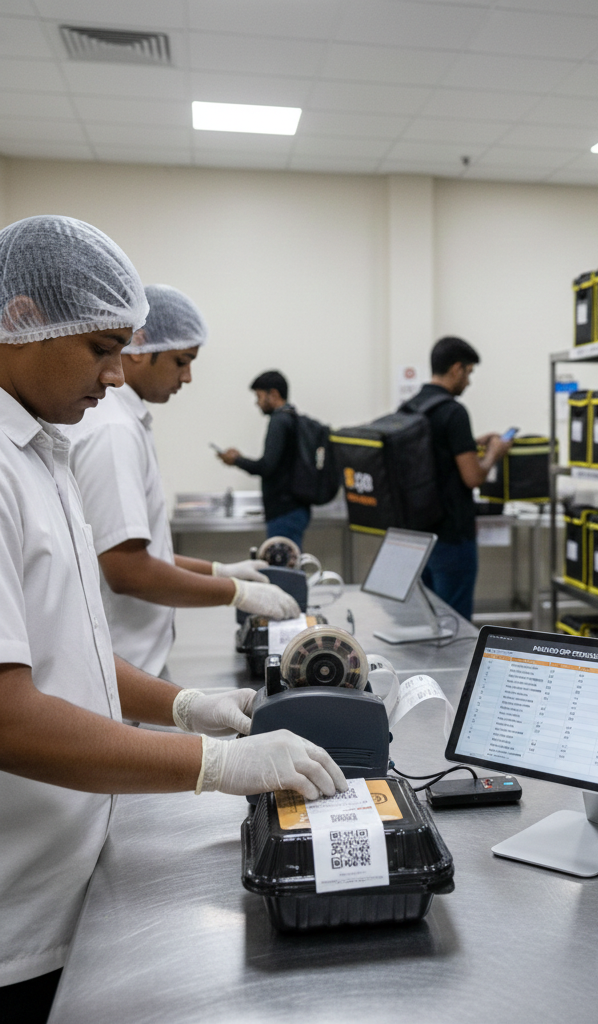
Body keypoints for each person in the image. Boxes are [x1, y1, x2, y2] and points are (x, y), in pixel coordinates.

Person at [0, 216, 345, 1023]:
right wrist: (213, 765)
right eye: (99, 349)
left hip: (72, 862)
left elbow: (73, 648)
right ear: (19, 320)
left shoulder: (40, 447)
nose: (117, 375)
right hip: (15, 909)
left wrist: (185, 707)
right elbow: (9, 714)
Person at [66, 286, 299, 678]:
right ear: (138, 347)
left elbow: (135, 551)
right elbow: (128, 570)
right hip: (123, 667)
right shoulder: (113, 432)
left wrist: (219, 570)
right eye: (181, 361)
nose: (187, 377)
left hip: (137, 663)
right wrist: (236, 593)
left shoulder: (127, 424)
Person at [403, 336, 512, 621]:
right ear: (456, 369)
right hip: (451, 536)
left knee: (428, 620)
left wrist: (471, 443)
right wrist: (494, 454)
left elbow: (433, 456)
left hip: (417, 535)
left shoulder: (411, 408)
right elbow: (472, 477)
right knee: (455, 624)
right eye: (469, 373)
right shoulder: (453, 411)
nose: (469, 381)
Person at [217, 370, 310, 548]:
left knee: (283, 572)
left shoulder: (279, 421)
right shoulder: (292, 417)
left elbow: (267, 467)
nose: (256, 402)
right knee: (289, 567)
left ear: (273, 394)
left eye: (259, 396)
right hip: (296, 509)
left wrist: (236, 460)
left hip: (284, 512)